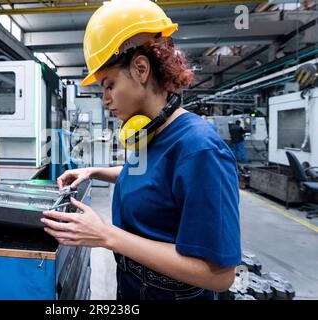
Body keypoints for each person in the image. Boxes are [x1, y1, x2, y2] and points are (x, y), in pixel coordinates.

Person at [41, 0, 241, 300]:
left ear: (140, 69)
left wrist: (107, 236)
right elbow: (155, 178)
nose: (105, 99)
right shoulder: (153, 132)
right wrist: (95, 171)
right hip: (134, 287)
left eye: (108, 85)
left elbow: (219, 275)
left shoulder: (200, 149)